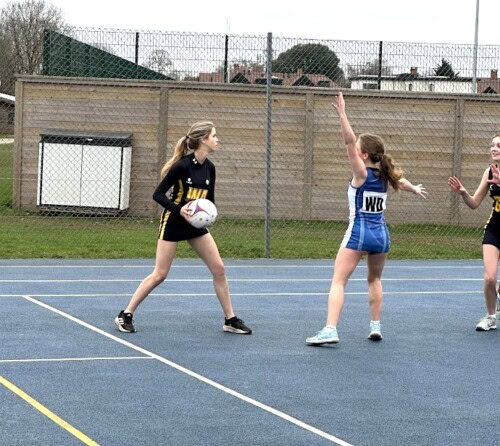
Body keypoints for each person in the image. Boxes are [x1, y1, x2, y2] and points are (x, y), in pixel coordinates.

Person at [306, 93, 427, 346]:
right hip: (381, 236)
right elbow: (400, 180)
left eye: (358, 150)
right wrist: (413, 188)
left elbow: (349, 142)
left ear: (363, 155)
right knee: (375, 279)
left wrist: (342, 115)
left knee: (338, 281)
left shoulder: (361, 174)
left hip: (359, 234)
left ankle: (330, 329)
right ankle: (375, 325)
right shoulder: (386, 175)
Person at [115, 121, 252, 335]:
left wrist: (209, 216)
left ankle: (230, 319)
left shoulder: (210, 168)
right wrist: (179, 211)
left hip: (195, 225)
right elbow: (158, 194)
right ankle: (125, 314)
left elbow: (209, 200)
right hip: (174, 222)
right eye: (214, 136)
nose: (218, 139)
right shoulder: (181, 166)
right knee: (160, 274)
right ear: (203, 140)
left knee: (219, 269)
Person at [448, 133, 500, 331]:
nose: (494, 149)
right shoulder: (489, 172)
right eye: (492, 145)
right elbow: (474, 204)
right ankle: (491, 317)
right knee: (489, 277)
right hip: (495, 229)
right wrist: (463, 193)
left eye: (499, 146)